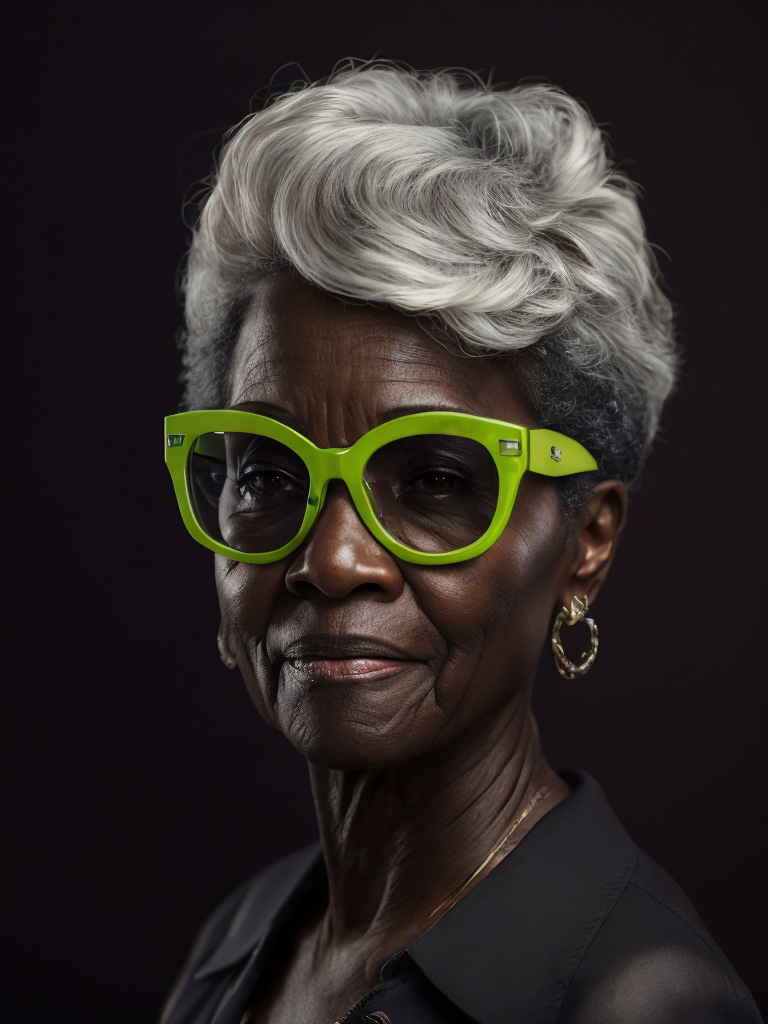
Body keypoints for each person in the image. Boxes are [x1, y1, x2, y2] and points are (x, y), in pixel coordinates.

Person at [159, 64, 760, 1024]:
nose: (330, 559)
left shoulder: (640, 1003)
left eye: (436, 481)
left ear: (586, 542)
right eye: (270, 474)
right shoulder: (244, 940)